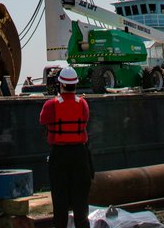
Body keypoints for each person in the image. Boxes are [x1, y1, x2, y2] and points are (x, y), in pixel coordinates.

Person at [40, 65, 93, 228]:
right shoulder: (83, 104)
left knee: (60, 201)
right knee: (81, 202)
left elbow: (43, 120)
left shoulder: (51, 105)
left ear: (60, 84)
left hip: (60, 155)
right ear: (75, 85)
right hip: (80, 154)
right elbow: (85, 119)